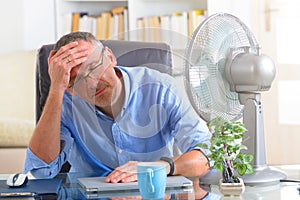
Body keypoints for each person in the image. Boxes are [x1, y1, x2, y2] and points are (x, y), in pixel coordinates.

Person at [24, 32, 211, 183]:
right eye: (76, 80)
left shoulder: (162, 89)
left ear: (110, 57)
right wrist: (57, 87)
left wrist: (157, 167)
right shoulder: (64, 103)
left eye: (93, 67)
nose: (91, 83)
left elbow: (207, 156)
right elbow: (39, 171)